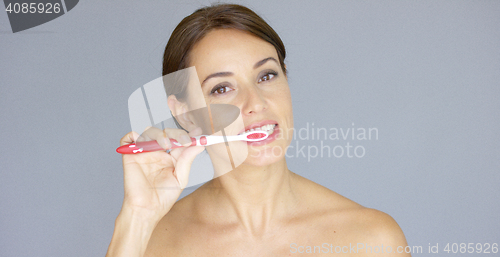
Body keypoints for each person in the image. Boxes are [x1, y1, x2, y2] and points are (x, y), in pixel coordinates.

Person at [106, 4, 410, 256]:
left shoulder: (373, 240)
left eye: (266, 76)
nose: (256, 102)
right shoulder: (149, 242)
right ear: (186, 115)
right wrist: (138, 216)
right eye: (222, 88)